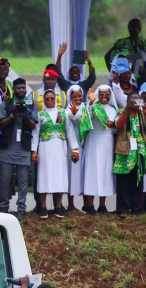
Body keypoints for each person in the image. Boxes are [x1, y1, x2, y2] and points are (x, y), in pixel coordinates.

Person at [0, 78, 37, 220]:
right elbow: (1, 124)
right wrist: (13, 114)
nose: (22, 90)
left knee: (23, 181)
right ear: (13, 89)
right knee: (5, 179)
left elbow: (33, 126)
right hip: (8, 147)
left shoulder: (31, 104)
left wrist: (25, 114)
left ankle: (21, 208)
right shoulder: (6, 104)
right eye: (19, 88)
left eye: (23, 88)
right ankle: (3, 207)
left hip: (24, 147)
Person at [114, 92, 146, 218]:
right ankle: (123, 208)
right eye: (132, 100)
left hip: (139, 152)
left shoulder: (143, 113)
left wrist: (145, 112)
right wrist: (127, 108)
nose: (135, 102)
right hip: (124, 151)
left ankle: (136, 209)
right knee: (123, 182)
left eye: (137, 100)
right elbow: (118, 124)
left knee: (137, 181)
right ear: (127, 101)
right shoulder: (121, 112)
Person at [31, 89, 68, 218]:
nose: (50, 101)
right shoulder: (40, 114)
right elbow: (35, 134)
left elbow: (70, 132)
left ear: (56, 99)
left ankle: (58, 206)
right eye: (47, 99)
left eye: (52, 98)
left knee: (59, 176)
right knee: (44, 176)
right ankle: (43, 207)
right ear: (44, 100)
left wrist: (74, 149)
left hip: (59, 147)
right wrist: (34, 151)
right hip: (45, 148)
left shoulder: (63, 113)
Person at [83, 85, 118, 214]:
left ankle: (102, 205)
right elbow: (87, 116)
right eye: (101, 94)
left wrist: (114, 125)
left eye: (107, 95)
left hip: (108, 142)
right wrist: (91, 101)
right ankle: (90, 205)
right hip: (94, 141)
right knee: (92, 171)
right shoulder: (93, 106)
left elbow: (116, 129)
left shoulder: (113, 110)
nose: (104, 97)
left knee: (105, 172)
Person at [65, 85, 91, 214]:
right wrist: (75, 113)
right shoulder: (69, 108)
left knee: (83, 173)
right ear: (70, 97)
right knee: (73, 174)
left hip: (84, 143)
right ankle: (70, 205)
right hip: (73, 145)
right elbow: (74, 118)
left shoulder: (86, 106)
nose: (77, 98)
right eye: (74, 96)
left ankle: (87, 204)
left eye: (79, 96)